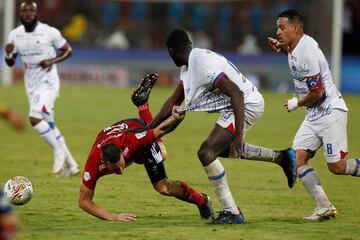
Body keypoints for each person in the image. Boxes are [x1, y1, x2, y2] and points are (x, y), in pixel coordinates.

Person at [144, 29, 297, 224]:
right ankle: (282, 157)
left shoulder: (201, 63)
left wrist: (239, 134)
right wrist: (148, 129)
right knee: (218, 150)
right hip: (237, 104)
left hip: (246, 103)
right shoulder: (189, 66)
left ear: (171, 52)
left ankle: (232, 212)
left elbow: (236, 93)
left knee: (206, 152)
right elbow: (172, 101)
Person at [78, 74, 213, 222]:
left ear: (123, 153)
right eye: (115, 169)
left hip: (136, 129)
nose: (121, 172)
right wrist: (114, 217)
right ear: (104, 162)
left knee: (162, 175)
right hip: (119, 132)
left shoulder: (132, 141)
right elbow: (84, 201)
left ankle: (202, 201)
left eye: (121, 166)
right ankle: (142, 103)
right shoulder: (93, 163)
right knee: (147, 156)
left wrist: (176, 119)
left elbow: (161, 129)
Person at [268, 9, 359, 221]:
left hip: (330, 113)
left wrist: (296, 102)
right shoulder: (295, 47)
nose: (278, 31)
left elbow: (318, 92)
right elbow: (298, 64)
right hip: (314, 116)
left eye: (282, 27)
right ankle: (324, 206)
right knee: (297, 160)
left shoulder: (306, 51)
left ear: (296, 29)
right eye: (277, 27)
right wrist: (283, 50)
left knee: (336, 167)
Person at [4, 0, 79, 176]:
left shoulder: (49, 32)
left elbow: (68, 51)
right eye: (25, 11)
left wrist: (51, 61)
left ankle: (58, 152)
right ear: (20, 14)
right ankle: (72, 165)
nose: (28, 13)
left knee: (34, 118)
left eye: (31, 10)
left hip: (49, 83)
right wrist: (8, 53)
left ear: (36, 13)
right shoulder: (14, 35)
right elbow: (10, 62)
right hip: (31, 86)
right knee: (50, 125)